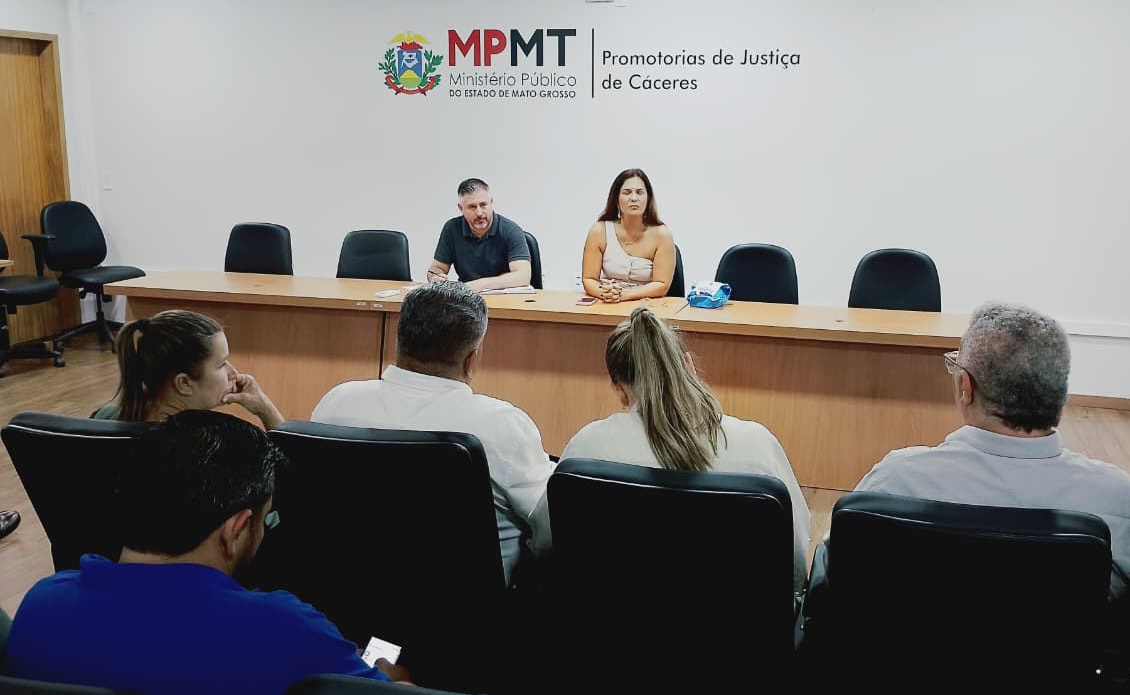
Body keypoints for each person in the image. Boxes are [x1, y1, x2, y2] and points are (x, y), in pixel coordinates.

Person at [2, 410, 407, 695]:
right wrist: (389, 669)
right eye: (265, 520)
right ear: (236, 530)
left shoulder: (42, 603)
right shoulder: (288, 628)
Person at [848, 302, 1130, 600]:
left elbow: (834, 579)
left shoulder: (893, 484)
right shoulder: (1123, 504)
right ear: (1061, 393)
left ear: (966, 388)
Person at [311, 282, 554, 584]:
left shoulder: (337, 404)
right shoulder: (501, 425)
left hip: (341, 590)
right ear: (472, 358)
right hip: (465, 604)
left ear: (399, 341)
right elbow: (550, 532)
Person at [560, 307, 810, 592]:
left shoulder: (586, 449)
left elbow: (551, 541)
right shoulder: (757, 447)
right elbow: (796, 559)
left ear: (618, 389)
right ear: (689, 366)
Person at [91, 309, 284, 429]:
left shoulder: (103, 417)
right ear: (183, 383)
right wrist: (265, 408)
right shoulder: (211, 448)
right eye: (222, 364)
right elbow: (294, 473)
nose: (233, 373)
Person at [581, 168, 677, 302]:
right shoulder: (599, 231)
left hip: (646, 305)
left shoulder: (662, 234)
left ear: (648, 198)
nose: (634, 198)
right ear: (616, 199)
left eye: (639, 192)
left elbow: (662, 284)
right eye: (626, 193)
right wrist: (604, 293)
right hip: (609, 303)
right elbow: (589, 279)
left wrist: (625, 295)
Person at [428, 178, 532, 292]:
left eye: (483, 205)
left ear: (491, 203)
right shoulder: (452, 228)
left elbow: (523, 276)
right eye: (472, 207)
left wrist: (479, 285)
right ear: (461, 208)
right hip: (467, 298)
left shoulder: (511, 230)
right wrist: (435, 277)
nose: (479, 213)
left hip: (504, 297)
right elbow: (437, 268)